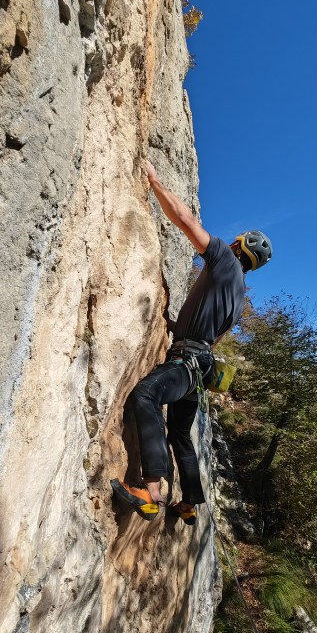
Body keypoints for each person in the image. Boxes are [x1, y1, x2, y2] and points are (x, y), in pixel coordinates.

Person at [111, 160, 272, 524]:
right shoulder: (239, 295)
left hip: (186, 364)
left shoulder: (224, 260)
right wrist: (176, 325)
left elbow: (185, 221)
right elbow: (213, 337)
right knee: (181, 435)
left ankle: (150, 491)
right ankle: (190, 503)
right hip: (199, 368)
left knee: (146, 395)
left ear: (238, 245)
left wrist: (155, 181)